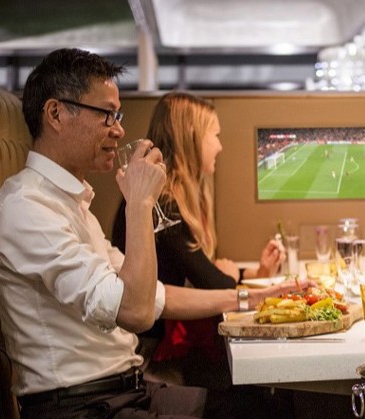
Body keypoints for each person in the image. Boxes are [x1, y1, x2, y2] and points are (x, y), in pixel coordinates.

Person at [0, 48, 306, 419]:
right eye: (107, 114)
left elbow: (154, 296)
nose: (119, 128)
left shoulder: (70, 205)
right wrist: (137, 202)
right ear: (55, 113)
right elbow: (133, 313)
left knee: (264, 407)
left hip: (121, 397)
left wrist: (249, 298)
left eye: (118, 114)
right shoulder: (25, 209)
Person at [111, 92, 285, 387]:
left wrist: (250, 273)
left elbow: (202, 268)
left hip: (163, 343)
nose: (219, 146)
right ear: (192, 137)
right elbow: (215, 282)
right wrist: (231, 276)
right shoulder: (164, 203)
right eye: (214, 135)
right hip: (149, 355)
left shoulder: (174, 196)